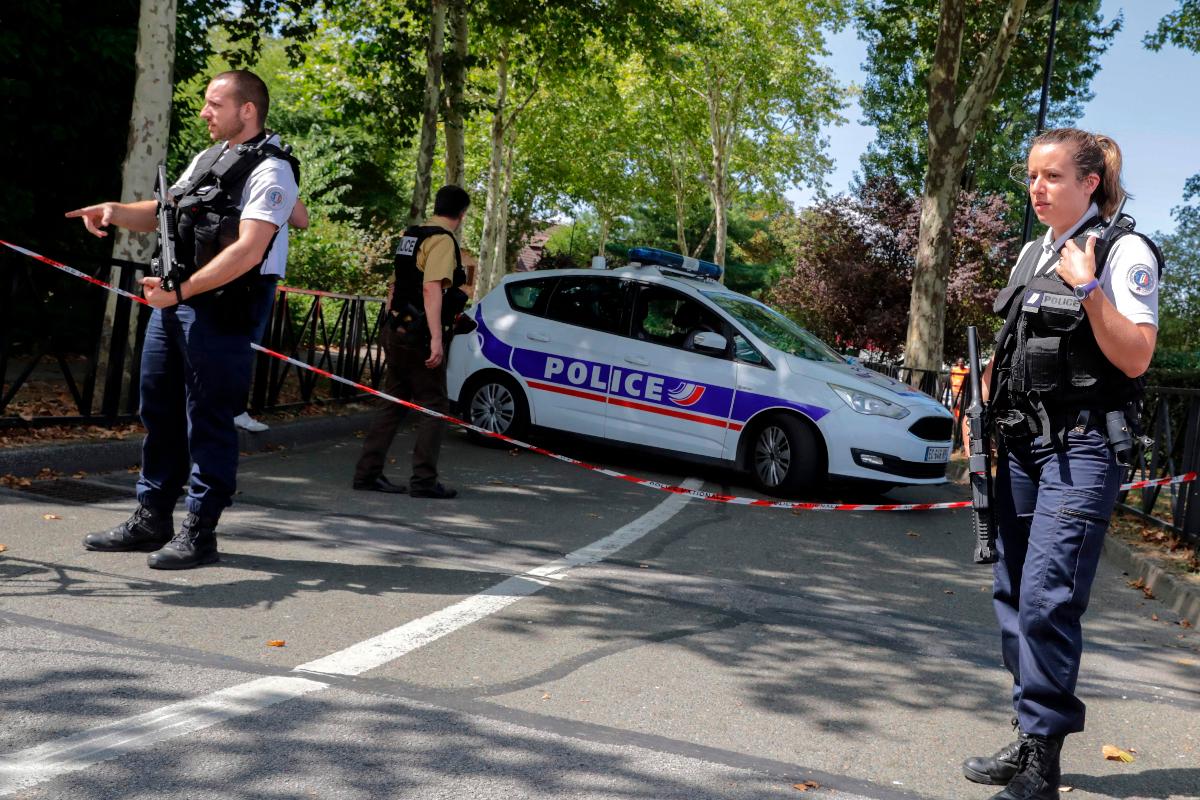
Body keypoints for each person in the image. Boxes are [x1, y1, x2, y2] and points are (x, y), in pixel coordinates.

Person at [962, 128, 1160, 800]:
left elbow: (1135, 356)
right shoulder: (1030, 252)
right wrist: (979, 410)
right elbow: (1012, 348)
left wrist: (1091, 290)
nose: (1036, 188)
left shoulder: (1122, 251)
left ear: (1090, 184)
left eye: (1051, 177)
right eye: (1031, 176)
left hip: (1083, 448)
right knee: (1014, 591)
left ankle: (1044, 759)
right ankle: (1027, 736)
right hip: (1020, 446)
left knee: (1048, 596)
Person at [67, 69, 300, 569]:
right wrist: (114, 211)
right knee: (160, 409)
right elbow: (163, 211)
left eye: (215, 103)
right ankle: (152, 518)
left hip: (223, 304)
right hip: (177, 301)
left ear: (248, 111)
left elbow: (249, 249)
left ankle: (200, 530)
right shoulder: (207, 157)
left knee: (209, 418)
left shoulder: (272, 171)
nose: (204, 112)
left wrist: (181, 293)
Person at [352, 185, 472, 499]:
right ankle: (424, 481)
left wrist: (391, 322)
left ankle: (367, 473)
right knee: (434, 406)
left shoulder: (412, 235)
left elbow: (395, 284)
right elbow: (432, 289)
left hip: (396, 328)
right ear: (462, 214)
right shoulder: (442, 240)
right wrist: (436, 339)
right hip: (419, 333)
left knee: (392, 403)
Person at [235, 197, 309, 433]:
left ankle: (229, 408)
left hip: (256, 271)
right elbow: (301, 219)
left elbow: (301, 220)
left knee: (240, 345)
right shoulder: (273, 174)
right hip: (256, 273)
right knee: (244, 346)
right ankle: (234, 410)